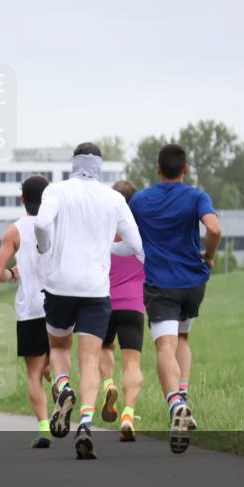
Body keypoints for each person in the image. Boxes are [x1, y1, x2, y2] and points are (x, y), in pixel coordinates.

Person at [35, 143, 143, 460]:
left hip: (60, 284)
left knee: (58, 347)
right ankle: (84, 423)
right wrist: (110, 248)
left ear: (74, 163)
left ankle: (63, 386)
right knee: (90, 360)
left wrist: (44, 247)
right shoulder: (114, 199)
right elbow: (135, 244)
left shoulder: (56, 190)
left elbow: (41, 224)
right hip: (96, 289)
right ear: (99, 166)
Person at [129, 143, 221, 454]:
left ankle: (175, 404)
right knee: (182, 338)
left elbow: (122, 235)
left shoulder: (140, 200)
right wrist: (209, 255)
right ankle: (184, 395)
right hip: (193, 282)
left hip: (160, 283)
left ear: (157, 169)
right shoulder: (196, 196)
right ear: (186, 169)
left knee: (164, 346)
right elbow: (214, 229)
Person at [0, 174, 54, 448]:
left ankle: (44, 428)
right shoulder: (58, 225)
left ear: (22, 199)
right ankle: (63, 391)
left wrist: (13, 274)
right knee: (57, 361)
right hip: (59, 303)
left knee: (34, 373)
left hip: (30, 308)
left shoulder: (14, 231)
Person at [99, 180, 147, 442]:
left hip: (104, 303)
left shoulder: (102, 233)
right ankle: (128, 414)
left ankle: (108, 385)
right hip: (133, 305)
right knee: (132, 363)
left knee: (103, 348)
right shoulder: (141, 235)